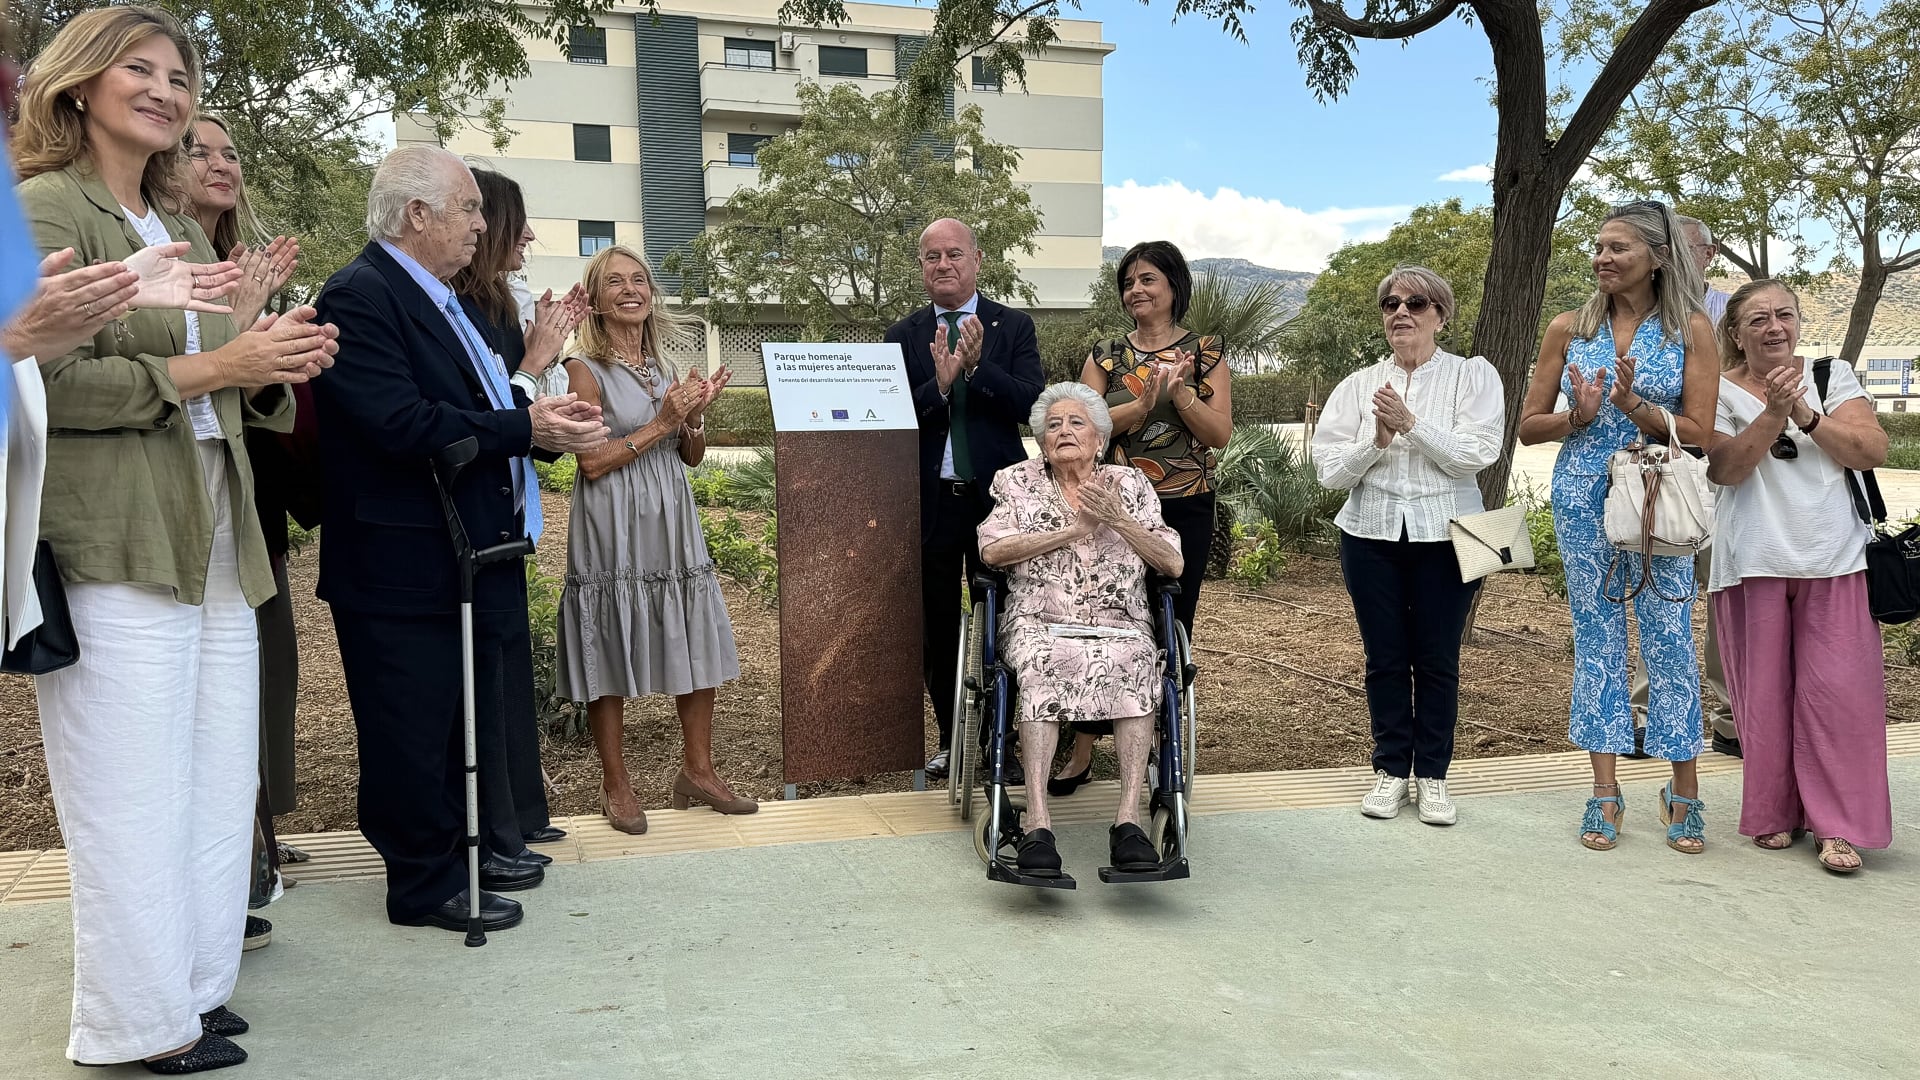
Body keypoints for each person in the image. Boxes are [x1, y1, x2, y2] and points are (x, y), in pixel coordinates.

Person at [14, 6, 339, 1069]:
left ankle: (193, 991)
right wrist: (216, 367)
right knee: (128, 789)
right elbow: (46, 381)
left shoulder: (179, 226)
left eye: (179, 76)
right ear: (78, 85)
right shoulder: (40, 207)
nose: (165, 89)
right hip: (113, 536)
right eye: (138, 69)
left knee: (210, 775)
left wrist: (270, 350)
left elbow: (228, 386)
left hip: (212, 532)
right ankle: (130, 1024)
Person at [312, 145, 607, 934]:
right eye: (471, 208)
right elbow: (400, 424)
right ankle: (420, 882)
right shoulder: (360, 295)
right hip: (396, 562)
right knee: (409, 724)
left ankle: (458, 857)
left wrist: (543, 431)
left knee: (450, 722)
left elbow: (483, 407)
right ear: (417, 215)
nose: (484, 225)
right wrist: (524, 424)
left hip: (458, 553)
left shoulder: (441, 297)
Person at [1518, 199, 1719, 854]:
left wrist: (1635, 406)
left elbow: (1701, 433)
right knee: (1597, 640)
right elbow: (1528, 426)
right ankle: (1604, 793)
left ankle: (1683, 793)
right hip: (1582, 496)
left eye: (1618, 248)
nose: (1603, 258)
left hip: (1659, 495)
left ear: (1658, 257)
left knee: (1669, 637)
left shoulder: (1691, 328)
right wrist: (1578, 416)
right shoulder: (1568, 329)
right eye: (1599, 248)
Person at [556, 244, 749, 834]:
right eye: (615, 282)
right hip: (611, 519)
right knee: (608, 639)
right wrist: (663, 421)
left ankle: (698, 770)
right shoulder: (582, 370)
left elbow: (690, 456)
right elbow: (589, 464)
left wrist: (692, 417)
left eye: (639, 279)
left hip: (671, 515)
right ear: (595, 298)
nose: (630, 289)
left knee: (694, 632)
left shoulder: (664, 367)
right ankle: (616, 785)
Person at [1704, 279, 1892, 873]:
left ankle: (1838, 827)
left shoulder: (1832, 376)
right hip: (1751, 560)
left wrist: (1806, 415)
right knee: (1762, 699)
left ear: (1799, 322)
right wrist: (1773, 414)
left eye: (1784, 315)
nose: (1773, 327)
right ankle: (1774, 814)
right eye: (1757, 319)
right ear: (1735, 333)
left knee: (1841, 698)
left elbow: (1870, 449)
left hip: (1835, 558)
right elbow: (1727, 469)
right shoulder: (1713, 389)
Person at [1312, 267, 1503, 826]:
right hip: (1368, 534)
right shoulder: (1357, 385)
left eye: (1416, 303)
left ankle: (1435, 776)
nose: (1402, 312)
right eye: (1390, 303)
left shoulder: (1473, 375)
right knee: (1386, 657)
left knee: (1439, 657)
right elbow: (1328, 473)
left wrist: (1411, 423)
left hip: (1457, 531)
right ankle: (1392, 769)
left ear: (1440, 314)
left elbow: (1477, 453)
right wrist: (1376, 441)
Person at [977, 383, 1185, 875]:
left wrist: (1118, 521)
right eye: (1053, 425)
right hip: (1039, 622)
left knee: (1137, 658)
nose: (1063, 431)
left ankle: (1129, 820)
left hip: (1121, 623)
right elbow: (992, 551)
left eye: (1076, 424)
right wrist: (1075, 530)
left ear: (1100, 440)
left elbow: (1172, 563)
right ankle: (1038, 825)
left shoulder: (1130, 486)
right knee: (1040, 662)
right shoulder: (1016, 482)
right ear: (1041, 442)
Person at [183, 112, 306, 935]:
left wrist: (280, 345)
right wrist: (238, 335)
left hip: (248, 508)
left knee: (259, 687)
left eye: (232, 154)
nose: (222, 164)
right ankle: (228, 873)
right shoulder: (150, 256)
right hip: (176, 509)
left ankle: (249, 852)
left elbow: (265, 404)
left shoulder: (247, 271)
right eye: (202, 150)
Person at [1051, 240, 1232, 796]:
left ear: (1174, 285)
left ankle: (1156, 748)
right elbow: (1082, 426)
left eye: (1148, 279)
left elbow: (1218, 435)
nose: (1137, 289)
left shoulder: (1205, 351)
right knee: (1101, 614)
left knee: (1170, 620)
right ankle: (1081, 747)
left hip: (1183, 505)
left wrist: (1179, 398)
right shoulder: (1106, 354)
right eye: (1129, 281)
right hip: (1111, 504)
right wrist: (1144, 402)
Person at [449, 165, 586, 852]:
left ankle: (519, 816)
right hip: (464, 521)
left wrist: (556, 388)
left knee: (507, 672)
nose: (527, 234)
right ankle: (494, 831)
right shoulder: (460, 314)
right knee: (481, 677)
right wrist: (536, 360)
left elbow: (530, 420)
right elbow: (495, 410)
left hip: (506, 522)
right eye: (517, 220)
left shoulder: (501, 309)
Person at [885, 217, 1045, 781]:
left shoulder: (1012, 325)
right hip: (931, 502)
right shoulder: (902, 336)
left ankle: (1006, 735)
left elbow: (1031, 403)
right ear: (922, 269)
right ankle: (956, 740)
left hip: (997, 502)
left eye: (954, 254)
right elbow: (895, 416)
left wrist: (978, 368)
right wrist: (943, 385)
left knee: (1003, 618)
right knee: (937, 626)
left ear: (977, 260)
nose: (944, 265)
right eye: (932, 257)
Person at [1628, 212, 1738, 759]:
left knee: (1724, 596)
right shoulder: (1640, 317)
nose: (1669, 257)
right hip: (1662, 473)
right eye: (1664, 248)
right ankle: (1648, 716)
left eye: (1681, 248)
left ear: (1708, 255)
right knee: (1660, 593)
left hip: (1718, 472)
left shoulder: (1723, 314)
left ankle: (1728, 718)